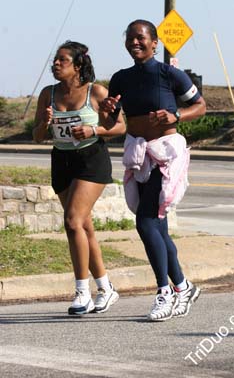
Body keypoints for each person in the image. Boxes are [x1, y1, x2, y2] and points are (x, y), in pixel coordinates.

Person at [100, 20, 206, 322]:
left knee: (145, 222)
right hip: (139, 154)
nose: (135, 42)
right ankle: (184, 286)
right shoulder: (121, 79)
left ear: (154, 43)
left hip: (167, 154)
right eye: (130, 38)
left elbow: (201, 106)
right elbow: (111, 124)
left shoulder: (168, 73)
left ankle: (165, 291)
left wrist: (176, 114)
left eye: (141, 38)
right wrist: (106, 111)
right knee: (157, 227)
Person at [33, 40, 126, 315]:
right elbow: (37, 136)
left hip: (91, 160)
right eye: (55, 60)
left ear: (77, 65)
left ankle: (82, 293)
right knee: (84, 228)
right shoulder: (47, 94)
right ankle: (106, 288)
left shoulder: (95, 92)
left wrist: (94, 130)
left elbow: (121, 126)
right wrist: (45, 124)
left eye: (63, 60)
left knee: (72, 221)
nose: (56, 64)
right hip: (61, 160)